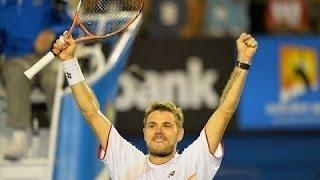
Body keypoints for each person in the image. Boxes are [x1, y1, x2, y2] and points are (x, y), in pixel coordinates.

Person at [53, 31, 258, 179]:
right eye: (152, 125)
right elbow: (91, 112)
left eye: (167, 125)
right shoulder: (126, 160)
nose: (158, 131)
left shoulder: (195, 161)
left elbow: (225, 111)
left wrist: (243, 61)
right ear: (144, 132)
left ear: (180, 133)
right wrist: (69, 62)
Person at [0, 0, 70, 160]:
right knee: (16, 76)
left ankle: (60, 139)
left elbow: (72, 25)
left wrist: (53, 33)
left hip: (49, 57)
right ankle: (19, 138)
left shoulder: (53, 2)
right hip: (16, 59)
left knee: (54, 80)